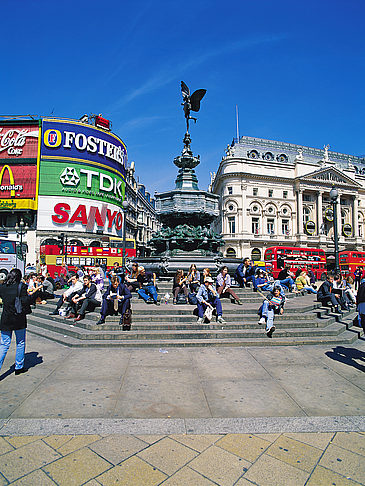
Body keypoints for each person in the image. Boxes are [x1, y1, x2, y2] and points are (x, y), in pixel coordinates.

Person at [0, 269, 31, 375]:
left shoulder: (3, 287)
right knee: (20, 342)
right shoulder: (21, 286)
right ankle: (19, 367)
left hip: (6, 318)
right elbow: (25, 301)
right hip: (19, 318)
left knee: (4, 344)